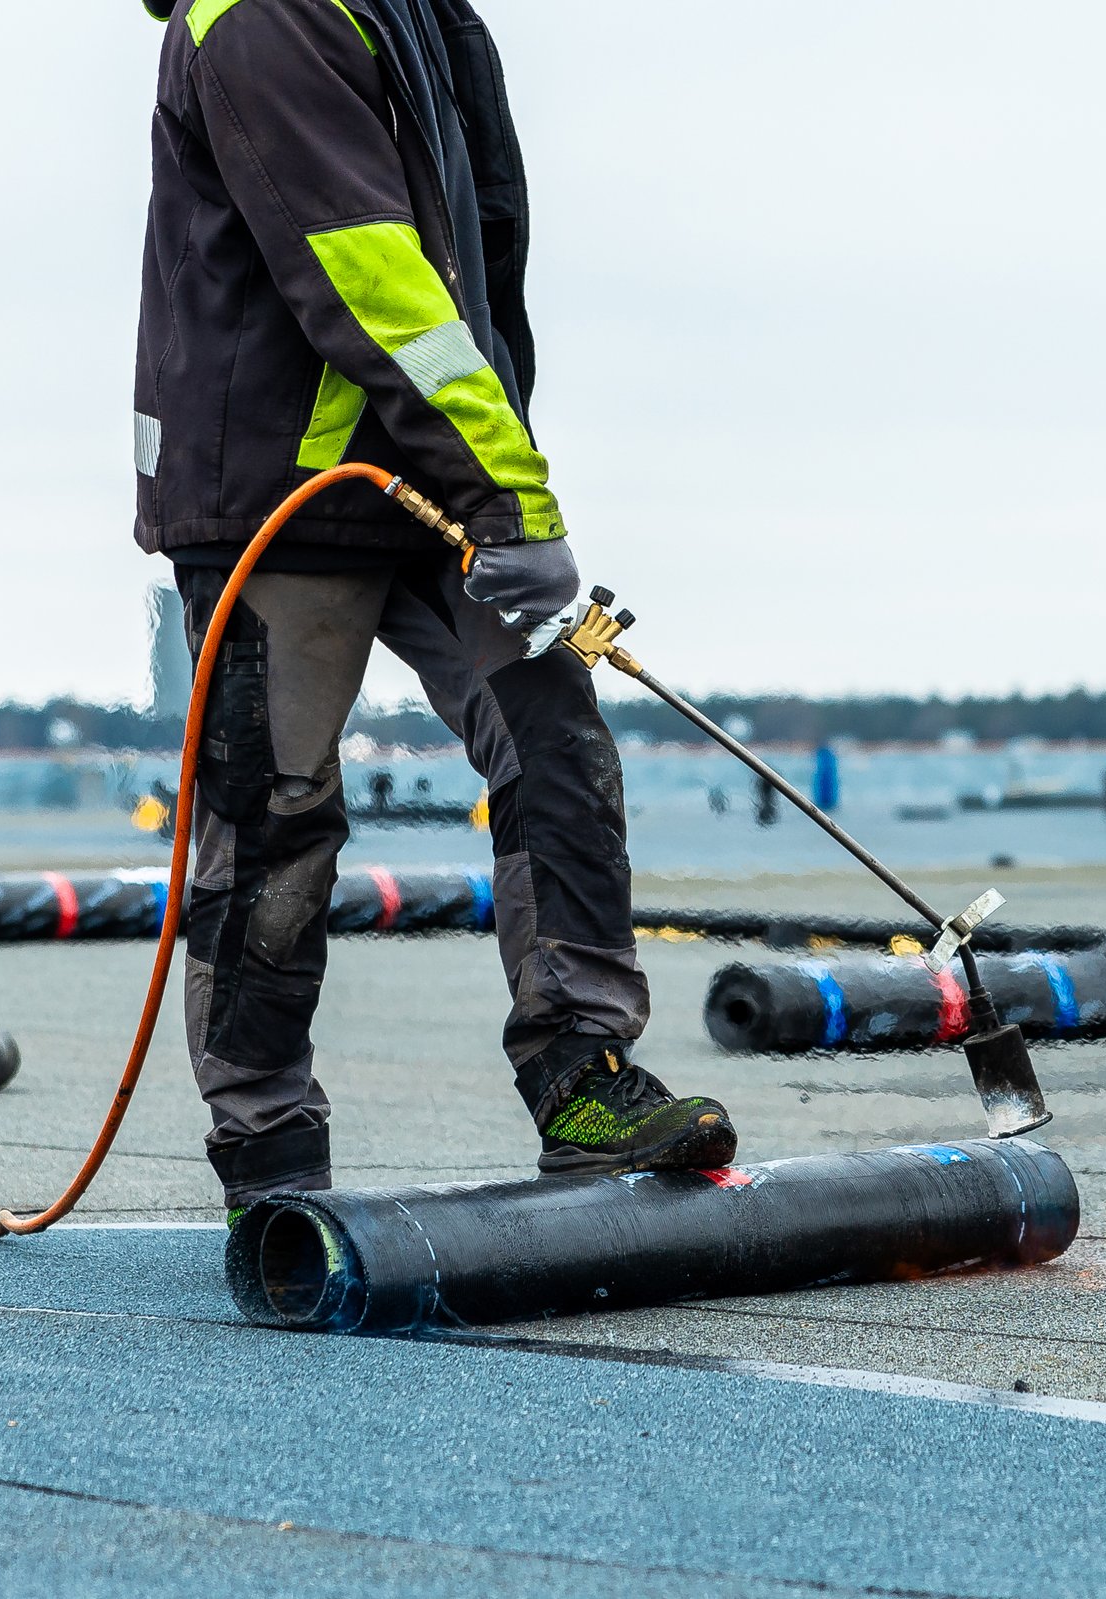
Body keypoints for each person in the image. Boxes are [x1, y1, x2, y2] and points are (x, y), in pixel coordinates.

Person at [133, 0, 735, 1212]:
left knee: (556, 743)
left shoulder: (418, 14)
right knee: (273, 821)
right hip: (282, 492)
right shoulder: (260, 17)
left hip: (427, 477)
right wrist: (512, 498)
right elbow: (367, 275)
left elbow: (474, 262)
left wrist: (490, 473)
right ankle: (270, 1148)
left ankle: (585, 1074)